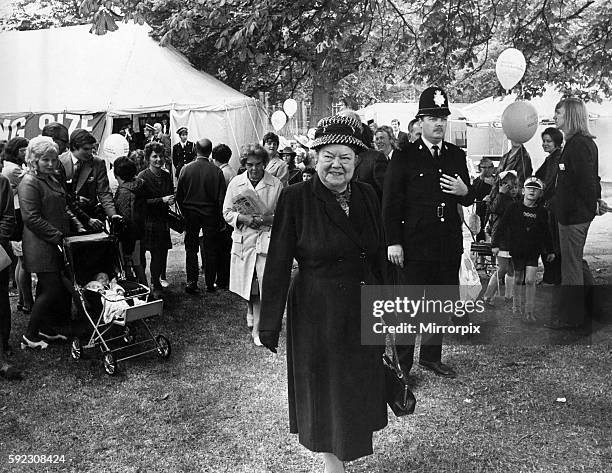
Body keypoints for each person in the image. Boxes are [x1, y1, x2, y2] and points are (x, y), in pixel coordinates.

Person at [259, 115, 387, 472]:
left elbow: (378, 257)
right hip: (319, 311)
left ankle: (345, 451)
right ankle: (333, 464)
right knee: (327, 387)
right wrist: (269, 323)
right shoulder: (296, 198)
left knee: (356, 384)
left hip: (362, 305)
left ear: (357, 161)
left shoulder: (367, 195)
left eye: (345, 157)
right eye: (328, 155)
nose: (337, 165)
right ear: (315, 157)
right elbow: (280, 262)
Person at [383, 86, 474, 379]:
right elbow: (391, 203)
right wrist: (393, 242)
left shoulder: (455, 155)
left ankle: (431, 357)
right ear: (420, 121)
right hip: (415, 243)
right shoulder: (405, 155)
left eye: (442, 118)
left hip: (447, 241)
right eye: (432, 118)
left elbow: (468, 196)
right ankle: (403, 366)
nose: (438, 124)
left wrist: (465, 192)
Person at [18, 137, 80, 349]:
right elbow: (31, 218)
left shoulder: (49, 178)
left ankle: (44, 329)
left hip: (53, 241)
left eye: (54, 159)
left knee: (48, 287)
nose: (52, 164)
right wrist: (57, 236)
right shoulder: (29, 182)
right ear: (34, 159)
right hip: (41, 244)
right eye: (46, 159)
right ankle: (30, 334)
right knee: (52, 289)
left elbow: (61, 207)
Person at [547, 98, 602, 329]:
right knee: (575, 263)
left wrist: (592, 204)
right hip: (572, 214)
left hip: (573, 216)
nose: (555, 115)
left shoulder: (578, 144)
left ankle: (572, 318)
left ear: (569, 115)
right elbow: (591, 179)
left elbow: (586, 181)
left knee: (570, 268)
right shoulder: (579, 143)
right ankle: (592, 307)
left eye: (558, 112)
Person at [223, 144, 282, 346]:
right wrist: (245, 219)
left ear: (264, 163)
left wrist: (266, 219)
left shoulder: (275, 184)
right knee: (247, 284)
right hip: (244, 240)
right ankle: (250, 310)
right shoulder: (235, 183)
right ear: (244, 164)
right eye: (250, 165)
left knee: (260, 286)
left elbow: (282, 216)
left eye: (258, 164)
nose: (254, 169)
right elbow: (227, 212)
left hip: (265, 240)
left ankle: (257, 329)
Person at [493, 177, 554, 322]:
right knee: (519, 279)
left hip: (533, 251)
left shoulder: (542, 212)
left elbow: (546, 232)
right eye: (529, 188)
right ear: (523, 190)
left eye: (536, 189)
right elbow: (501, 227)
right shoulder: (514, 207)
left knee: (531, 280)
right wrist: (495, 244)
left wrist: (550, 250)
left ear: (541, 194)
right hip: (517, 250)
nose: (532, 191)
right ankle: (516, 308)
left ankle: (529, 311)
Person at [176, 139, 227, 294]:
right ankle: (210, 283)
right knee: (210, 249)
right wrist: (220, 218)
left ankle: (191, 282)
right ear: (210, 151)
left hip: (190, 214)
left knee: (190, 249)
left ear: (195, 150)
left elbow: (179, 195)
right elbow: (221, 199)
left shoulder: (185, 169)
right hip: (210, 214)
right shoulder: (217, 171)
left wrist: (185, 213)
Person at [59, 129, 119, 230]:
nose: (90, 153)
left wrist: (112, 215)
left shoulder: (98, 163)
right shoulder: (58, 162)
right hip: (67, 219)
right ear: (74, 147)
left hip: (92, 218)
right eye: (86, 149)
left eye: (92, 149)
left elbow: (104, 193)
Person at [138, 142, 174, 300]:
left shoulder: (166, 175)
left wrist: (171, 199)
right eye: (154, 156)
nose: (158, 159)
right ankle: (144, 284)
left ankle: (156, 282)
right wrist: (162, 200)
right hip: (148, 221)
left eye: (160, 156)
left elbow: (170, 192)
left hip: (162, 221)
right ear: (148, 158)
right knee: (145, 255)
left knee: (160, 255)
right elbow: (141, 203)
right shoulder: (142, 177)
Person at [2, 137, 32, 314]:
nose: (25, 153)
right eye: (23, 150)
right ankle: (27, 300)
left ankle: (23, 299)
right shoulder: (13, 170)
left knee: (21, 262)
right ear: (15, 151)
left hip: (15, 216)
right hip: (17, 217)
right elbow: (31, 182)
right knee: (24, 263)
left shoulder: (10, 167)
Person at [481, 171, 519, 307]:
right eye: (510, 187)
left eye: (516, 186)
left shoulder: (514, 200)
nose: (514, 190)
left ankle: (509, 296)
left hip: (511, 242)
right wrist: (495, 244)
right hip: (502, 242)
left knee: (511, 269)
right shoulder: (500, 200)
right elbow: (495, 217)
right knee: (502, 269)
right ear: (502, 187)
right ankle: (487, 297)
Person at [337, 110, 388, 202]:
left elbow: (386, 195)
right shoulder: (333, 159)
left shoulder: (375, 158)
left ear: (360, 129)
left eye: (347, 126)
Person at [535, 127, 564, 285]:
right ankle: (551, 276)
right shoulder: (551, 158)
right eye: (543, 141)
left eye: (548, 141)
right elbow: (538, 176)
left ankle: (552, 278)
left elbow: (550, 182)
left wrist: (540, 192)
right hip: (549, 206)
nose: (544, 144)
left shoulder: (557, 158)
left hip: (553, 208)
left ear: (557, 143)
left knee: (551, 243)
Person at [113, 156, 147, 285]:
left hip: (129, 237)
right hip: (140, 232)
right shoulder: (138, 185)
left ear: (117, 174)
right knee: (139, 264)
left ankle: (139, 293)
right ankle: (145, 290)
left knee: (131, 265)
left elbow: (127, 219)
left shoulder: (124, 192)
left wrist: (128, 247)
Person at [0, 152, 17, 377]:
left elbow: (8, 218)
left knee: (1, 299)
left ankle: (4, 342)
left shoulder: (2, 182)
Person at [212, 144, 236, 290]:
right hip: (232, 216)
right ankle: (227, 277)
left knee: (222, 250)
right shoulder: (232, 172)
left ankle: (222, 279)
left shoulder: (220, 173)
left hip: (224, 216)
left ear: (215, 159)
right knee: (228, 249)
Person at [472, 157, 495, 241]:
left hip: (494, 211)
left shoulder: (497, 180)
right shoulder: (476, 181)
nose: (487, 170)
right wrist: (482, 178)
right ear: (480, 168)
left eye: (489, 167)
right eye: (484, 167)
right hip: (481, 213)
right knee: (481, 236)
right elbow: (474, 194)